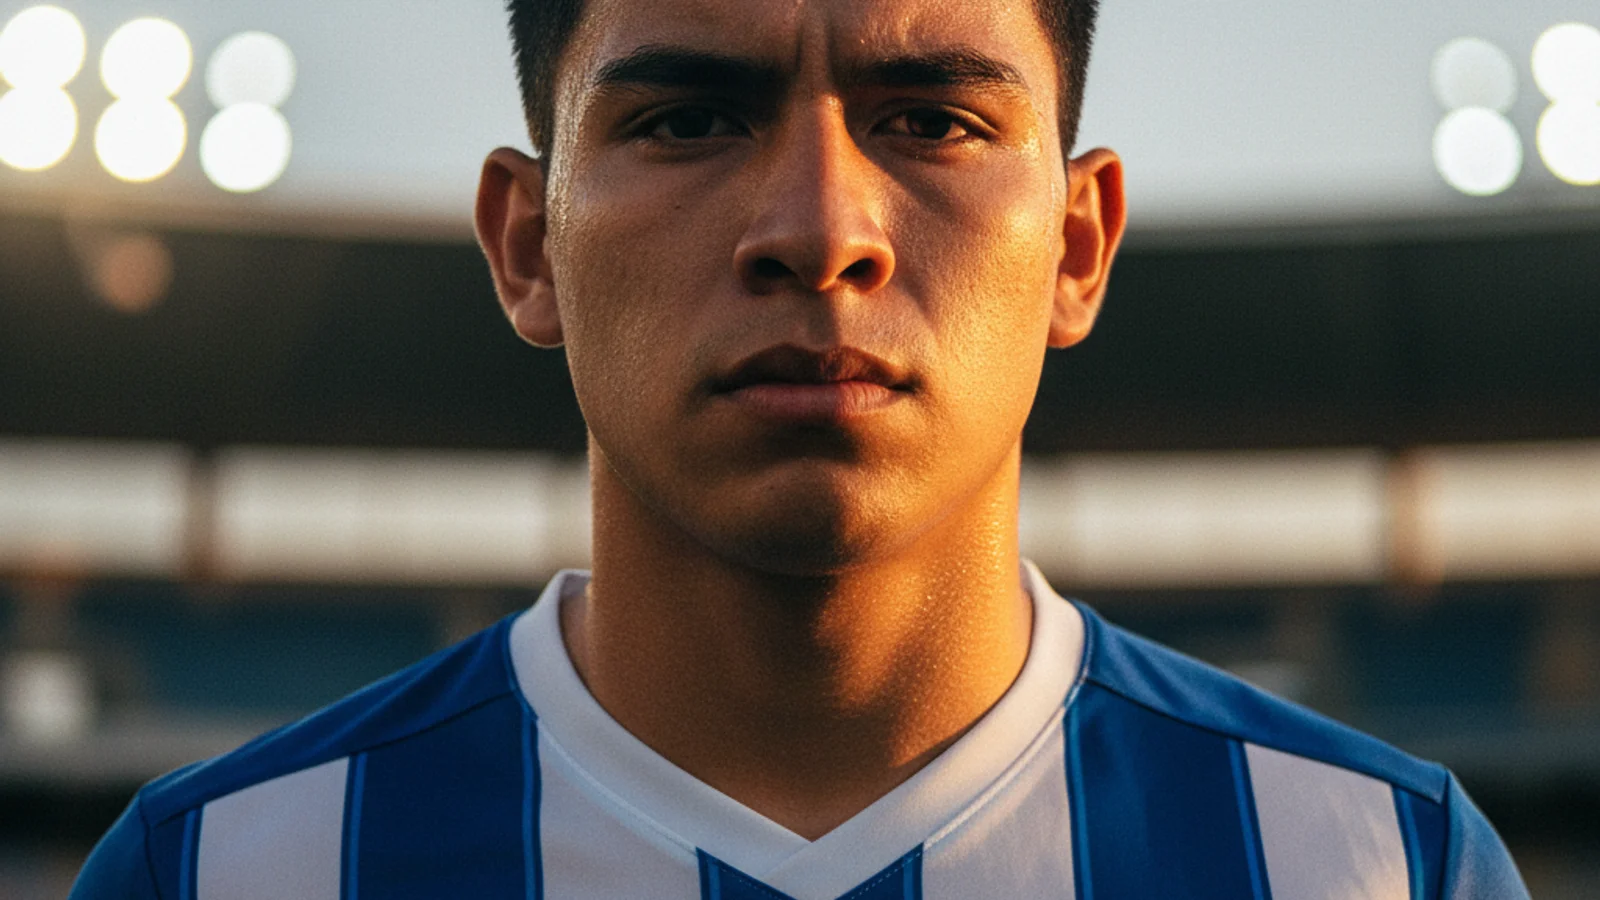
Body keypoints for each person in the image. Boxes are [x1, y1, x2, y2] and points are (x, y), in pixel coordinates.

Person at [73, 0, 1529, 896]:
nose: (821, 233)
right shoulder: (220, 872)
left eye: (935, 121)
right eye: (692, 116)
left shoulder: (1378, 867)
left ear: (1079, 247)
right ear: (527, 246)